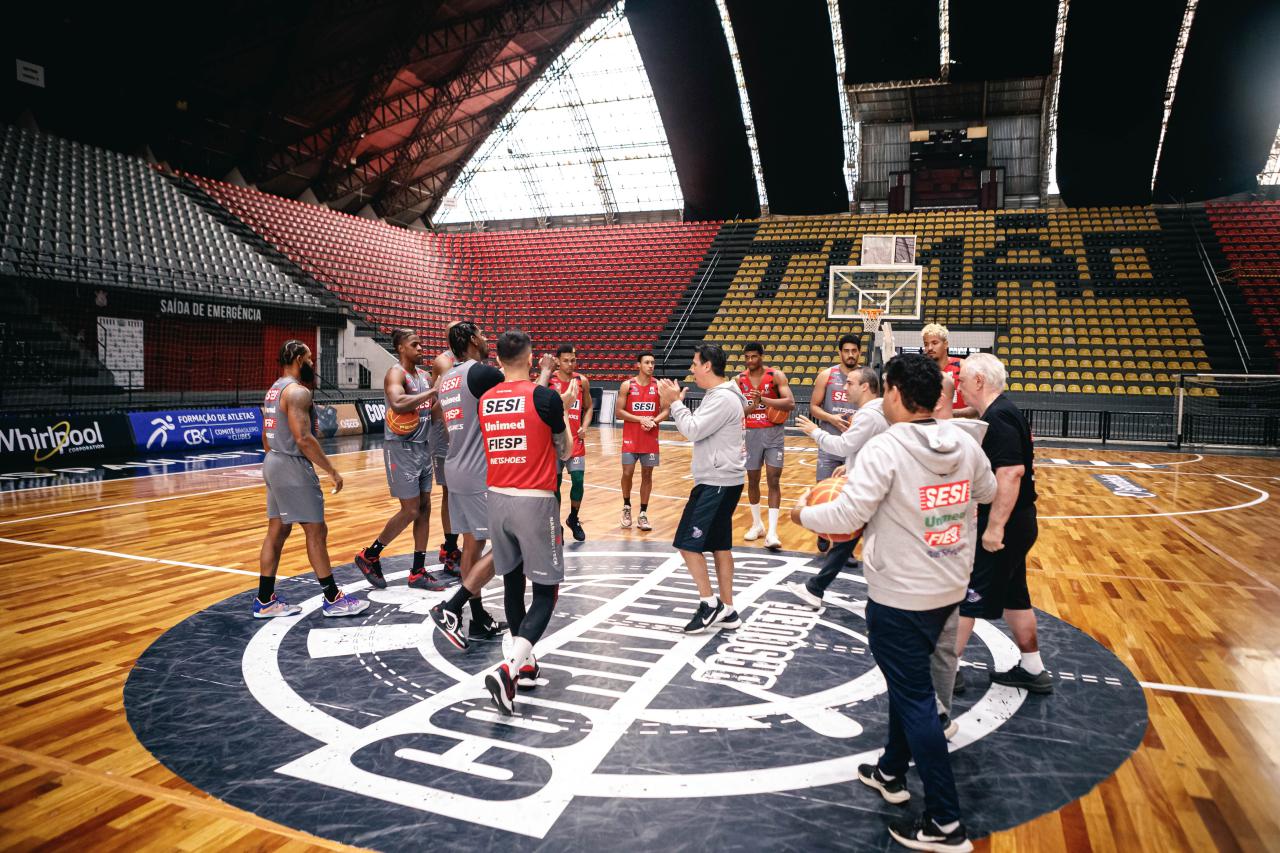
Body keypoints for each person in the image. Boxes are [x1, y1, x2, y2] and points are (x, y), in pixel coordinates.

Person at [792, 353, 995, 852]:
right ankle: (889, 772)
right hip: (948, 586)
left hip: (901, 594)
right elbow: (986, 490)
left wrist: (801, 512)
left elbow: (845, 513)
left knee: (916, 699)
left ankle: (945, 821)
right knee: (912, 688)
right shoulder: (966, 444)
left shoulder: (886, 448)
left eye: (887, 390)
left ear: (899, 394)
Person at [479, 330, 574, 715]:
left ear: (498, 360)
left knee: (513, 583)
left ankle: (526, 664)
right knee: (547, 591)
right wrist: (562, 413)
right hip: (534, 500)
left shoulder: (485, 399)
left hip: (496, 498)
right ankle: (510, 668)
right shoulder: (545, 397)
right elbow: (565, 448)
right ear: (532, 358)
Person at [952, 353, 1050, 695]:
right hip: (1019, 522)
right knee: (1015, 595)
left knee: (969, 593)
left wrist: (994, 528)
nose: (959, 385)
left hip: (1006, 523)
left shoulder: (1000, 416)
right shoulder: (1000, 411)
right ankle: (1033, 669)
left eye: (963, 378)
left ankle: (946, 672)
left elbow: (1010, 473)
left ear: (979, 380)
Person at [255, 340, 367, 619]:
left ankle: (265, 600)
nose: (312, 364)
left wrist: (273, 464)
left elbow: (266, 435)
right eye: (309, 358)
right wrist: (332, 470)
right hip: (291, 465)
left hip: (273, 461)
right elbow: (303, 439)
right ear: (296, 358)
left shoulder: (273, 390)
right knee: (316, 532)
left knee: (277, 531)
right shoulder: (297, 393)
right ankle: (333, 598)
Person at [428, 321, 512, 649]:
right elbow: (520, 391)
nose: (488, 339)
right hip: (478, 470)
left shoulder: (447, 378)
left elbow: (443, 418)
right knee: (508, 542)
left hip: (455, 465)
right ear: (474, 340)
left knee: (473, 545)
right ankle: (451, 608)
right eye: (484, 334)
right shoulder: (480, 372)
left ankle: (477, 618)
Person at [657, 344, 748, 633]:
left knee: (687, 543)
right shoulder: (723, 395)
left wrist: (674, 403)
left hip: (716, 482)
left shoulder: (722, 398)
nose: (692, 369)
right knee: (720, 546)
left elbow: (693, 430)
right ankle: (730, 610)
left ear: (707, 365)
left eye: (695, 363)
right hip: (725, 480)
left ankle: (711, 604)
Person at [354, 329, 443, 591]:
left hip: (423, 446)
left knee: (425, 508)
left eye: (420, 344)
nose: (420, 348)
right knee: (411, 509)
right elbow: (398, 402)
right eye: (414, 344)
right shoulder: (396, 374)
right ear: (401, 348)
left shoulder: (425, 377)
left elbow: (432, 410)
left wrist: (442, 398)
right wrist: (430, 393)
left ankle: (417, 571)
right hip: (401, 448)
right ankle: (370, 555)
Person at [792, 366, 886, 606]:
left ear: (865, 386)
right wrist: (850, 464)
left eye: (850, 383)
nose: (844, 388)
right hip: (872, 480)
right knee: (846, 541)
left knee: (869, 544)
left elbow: (844, 445)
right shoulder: (878, 410)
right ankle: (815, 588)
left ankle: (890, 597)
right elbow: (868, 445)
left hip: (870, 486)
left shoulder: (867, 414)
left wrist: (815, 432)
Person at [808, 333, 863, 552]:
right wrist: (831, 418)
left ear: (859, 352)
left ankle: (845, 548)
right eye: (846, 351)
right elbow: (814, 407)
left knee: (852, 497)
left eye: (854, 351)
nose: (850, 355)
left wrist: (858, 421)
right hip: (830, 444)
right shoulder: (826, 375)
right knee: (823, 491)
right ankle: (823, 533)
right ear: (839, 352)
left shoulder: (865, 377)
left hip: (854, 447)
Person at [737, 342, 795, 550]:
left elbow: (790, 403)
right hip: (750, 434)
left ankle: (772, 532)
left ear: (761, 357)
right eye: (747, 357)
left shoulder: (776, 376)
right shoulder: (738, 380)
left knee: (773, 479)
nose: (750, 360)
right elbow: (737, 412)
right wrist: (751, 407)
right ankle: (757, 524)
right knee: (752, 480)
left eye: (754, 356)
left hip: (773, 434)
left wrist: (765, 400)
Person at [616, 351, 666, 531]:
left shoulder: (659, 386)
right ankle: (627, 506)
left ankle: (643, 514)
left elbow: (666, 410)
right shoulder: (627, 385)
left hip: (650, 438)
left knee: (647, 475)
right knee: (627, 472)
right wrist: (641, 419)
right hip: (631, 438)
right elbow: (619, 412)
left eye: (653, 363)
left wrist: (654, 421)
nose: (651, 366)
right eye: (647, 363)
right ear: (638, 365)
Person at [548, 343, 592, 542]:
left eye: (573, 360)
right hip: (554, 443)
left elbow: (589, 407)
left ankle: (573, 518)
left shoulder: (582, 381)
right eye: (565, 360)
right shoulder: (549, 382)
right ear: (557, 361)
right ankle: (556, 525)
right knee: (554, 486)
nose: (570, 364)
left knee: (578, 481)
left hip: (576, 441)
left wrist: (585, 425)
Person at [430, 341, 461, 576]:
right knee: (450, 493)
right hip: (446, 435)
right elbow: (444, 402)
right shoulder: (444, 361)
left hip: (462, 433)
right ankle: (450, 549)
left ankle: (456, 546)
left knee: (462, 493)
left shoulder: (471, 362)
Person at [922, 323, 975, 419]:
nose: (929, 348)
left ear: (945, 344)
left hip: (962, 426)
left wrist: (950, 414)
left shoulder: (963, 366)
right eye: (926, 344)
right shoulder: (922, 372)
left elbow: (977, 406)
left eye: (934, 343)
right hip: (934, 427)